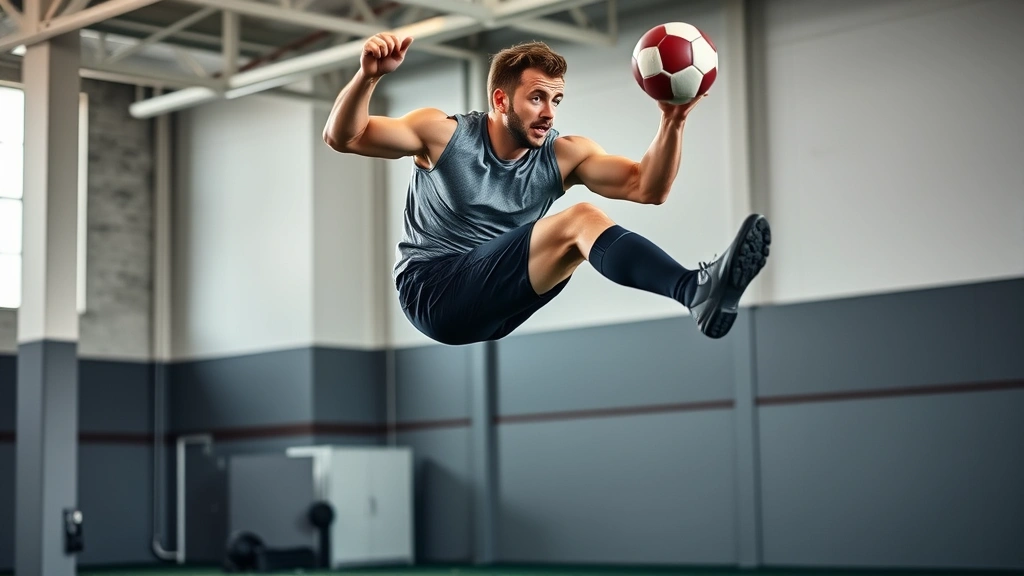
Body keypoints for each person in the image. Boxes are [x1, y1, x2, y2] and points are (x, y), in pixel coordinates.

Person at [323, 33, 770, 346]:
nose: (549, 113)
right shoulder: (441, 134)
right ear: (501, 100)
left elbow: (646, 187)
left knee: (581, 238)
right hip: (432, 290)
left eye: (556, 100)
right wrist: (368, 77)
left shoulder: (564, 155)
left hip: (496, 308)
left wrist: (673, 120)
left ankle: (697, 291)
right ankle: (694, 289)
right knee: (579, 221)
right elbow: (345, 137)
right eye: (536, 97)